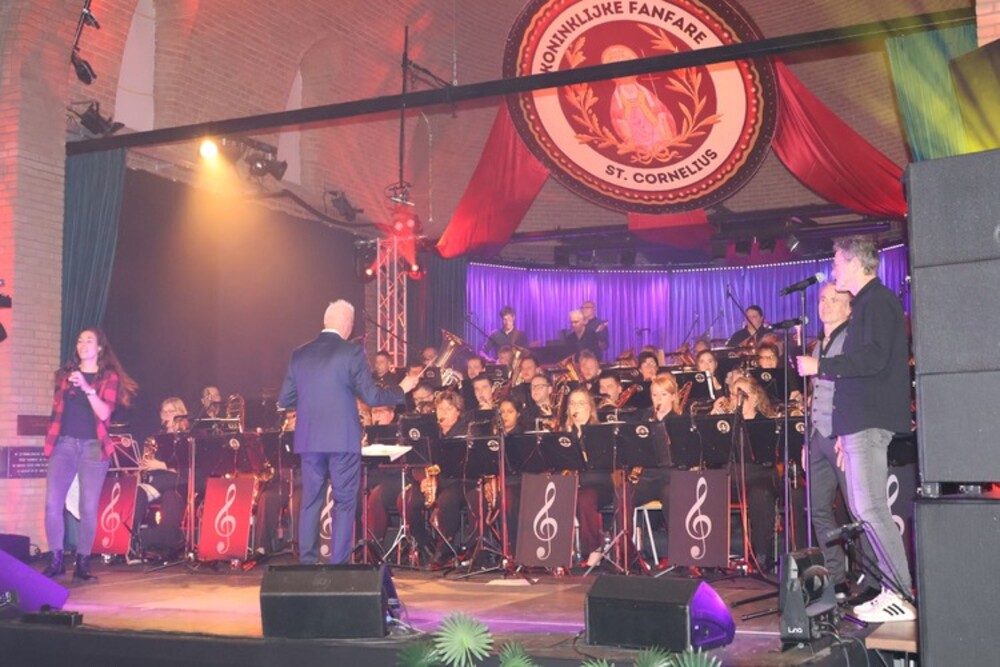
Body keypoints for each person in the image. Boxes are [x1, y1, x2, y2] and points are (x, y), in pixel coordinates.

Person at [797, 236, 916, 623]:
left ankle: (899, 592)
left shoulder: (876, 302)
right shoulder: (869, 303)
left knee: (870, 509)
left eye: (836, 262)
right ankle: (893, 590)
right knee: (867, 509)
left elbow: (874, 359)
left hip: (870, 419)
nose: (833, 269)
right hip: (860, 421)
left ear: (854, 263)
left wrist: (821, 366)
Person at [278, 300, 418, 565]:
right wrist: (402, 388)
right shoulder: (351, 353)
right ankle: (338, 566)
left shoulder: (300, 354)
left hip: (309, 439)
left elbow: (285, 399)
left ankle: (307, 563)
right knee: (344, 502)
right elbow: (372, 396)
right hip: (342, 438)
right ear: (347, 325)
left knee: (310, 501)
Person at [803, 282, 879, 604]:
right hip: (818, 436)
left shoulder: (852, 341)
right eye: (823, 299)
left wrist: (848, 435)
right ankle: (836, 577)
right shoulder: (817, 346)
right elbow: (815, 395)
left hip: (843, 438)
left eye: (834, 299)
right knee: (819, 509)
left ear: (849, 308)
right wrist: (807, 440)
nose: (826, 304)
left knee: (859, 510)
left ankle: (874, 582)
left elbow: (858, 393)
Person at [42, 328, 138, 581]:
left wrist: (87, 387)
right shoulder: (63, 376)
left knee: (87, 507)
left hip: (93, 446)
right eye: (79, 341)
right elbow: (57, 413)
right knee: (52, 504)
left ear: (99, 348)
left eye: (89, 340)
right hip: (64, 444)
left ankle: (83, 564)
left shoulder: (108, 377)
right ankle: (56, 560)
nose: (83, 344)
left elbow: (105, 413)